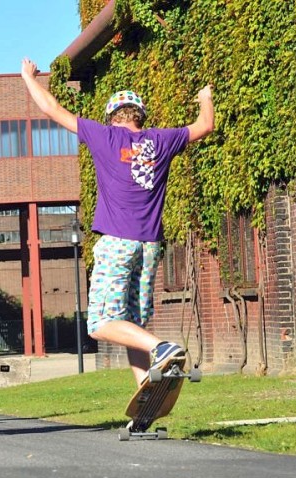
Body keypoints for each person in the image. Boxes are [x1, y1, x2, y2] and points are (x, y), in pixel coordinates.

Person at [20, 57, 215, 385]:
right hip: (150, 246)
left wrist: (28, 77)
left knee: (99, 324)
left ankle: (162, 348)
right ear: (140, 116)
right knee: (132, 324)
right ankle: (145, 388)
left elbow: (52, 109)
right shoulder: (162, 141)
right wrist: (205, 98)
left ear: (112, 117)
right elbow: (205, 125)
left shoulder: (105, 137)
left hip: (117, 243)